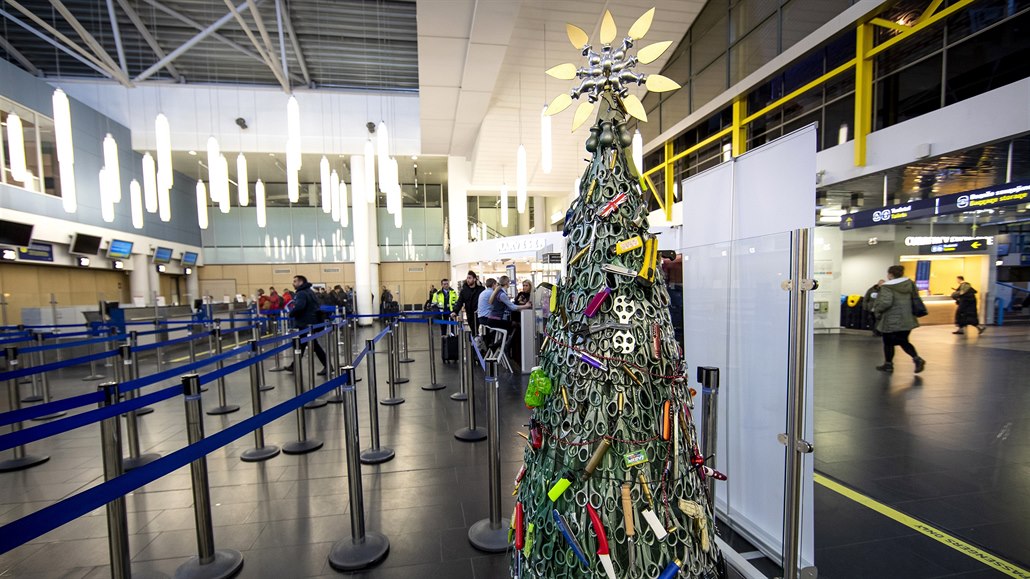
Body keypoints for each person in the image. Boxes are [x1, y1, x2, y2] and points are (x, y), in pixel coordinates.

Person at [871, 265, 926, 373]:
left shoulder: (887, 287)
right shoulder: (910, 284)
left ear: (890, 274)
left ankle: (888, 365)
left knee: (888, 342)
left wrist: (877, 310)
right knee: (903, 341)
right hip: (907, 318)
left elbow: (885, 302)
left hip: (891, 319)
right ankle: (916, 358)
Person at [285, 275, 328, 375]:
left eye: (295, 281)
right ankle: (294, 366)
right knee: (302, 345)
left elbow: (300, 307)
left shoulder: (301, 293)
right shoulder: (310, 291)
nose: (293, 283)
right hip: (311, 322)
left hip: (305, 323)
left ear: (300, 282)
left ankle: (328, 366)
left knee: (312, 346)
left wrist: (291, 313)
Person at [483, 275, 531, 352]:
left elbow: (508, 307)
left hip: (492, 320)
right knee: (514, 325)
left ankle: (498, 345)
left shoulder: (498, 292)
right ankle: (498, 346)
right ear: (506, 283)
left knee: (511, 326)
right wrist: (526, 306)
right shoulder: (502, 294)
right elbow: (512, 307)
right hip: (495, 320)